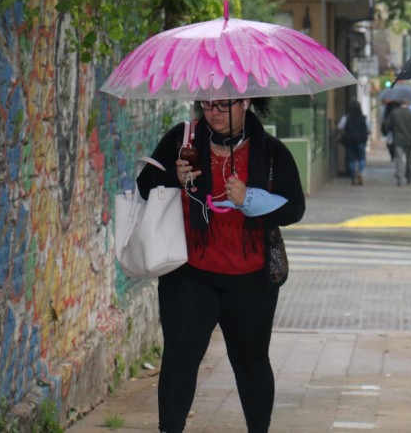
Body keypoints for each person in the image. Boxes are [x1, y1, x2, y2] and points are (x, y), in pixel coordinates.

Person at [136, 97, 306, 433]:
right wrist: (174, 176)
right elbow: (144, 186)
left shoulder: (271, 152)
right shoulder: (181, 140)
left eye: (222, 105)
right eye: (206, 104)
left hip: (252, 278)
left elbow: (294, 210)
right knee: (179, 361)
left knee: (251, 363)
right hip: (189, 274)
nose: (212, 112)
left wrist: (249, 199)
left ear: (245, 102)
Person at [384, 97, 411, 186]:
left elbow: (387, 125)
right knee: (409, 160)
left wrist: (390, 131)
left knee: (399, 159)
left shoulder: (395, 113)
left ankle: (400, 177)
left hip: (398, 139)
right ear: (408, 104)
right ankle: (409, 177)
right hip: (410, 140)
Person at [338, 101, 371, 185]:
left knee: (351, 160)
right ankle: (360, 172)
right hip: (361, 141)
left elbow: (340, 127)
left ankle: (353, 177)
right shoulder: (364, 118)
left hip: (350, 141)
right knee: (362, 158)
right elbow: (369, 129)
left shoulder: (346, 117)